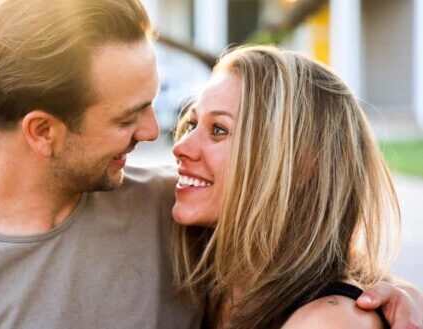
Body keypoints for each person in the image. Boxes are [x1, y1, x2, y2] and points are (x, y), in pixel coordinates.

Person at [0, 1, 423, 328]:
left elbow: (293, 220)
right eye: (128, 117)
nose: (156, 134)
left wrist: (386, 292)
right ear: (43, 131)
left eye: (156, 105)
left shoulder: (169, 209)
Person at [171, 45, 417, 328]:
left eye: (219, 130)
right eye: (191, 125)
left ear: (300, 165)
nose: (180, 147)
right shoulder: (220, 287)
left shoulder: (327, 321)